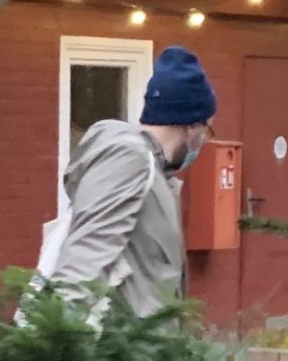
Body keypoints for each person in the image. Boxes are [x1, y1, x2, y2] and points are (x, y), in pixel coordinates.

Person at [42, 45, 212, 318]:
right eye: (206, 130)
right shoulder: (130, 161)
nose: (205, 140)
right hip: (120, 354)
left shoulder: (155, 175)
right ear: (192, 125)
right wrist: (57, 341)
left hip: (143, 353)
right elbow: (85, 258)